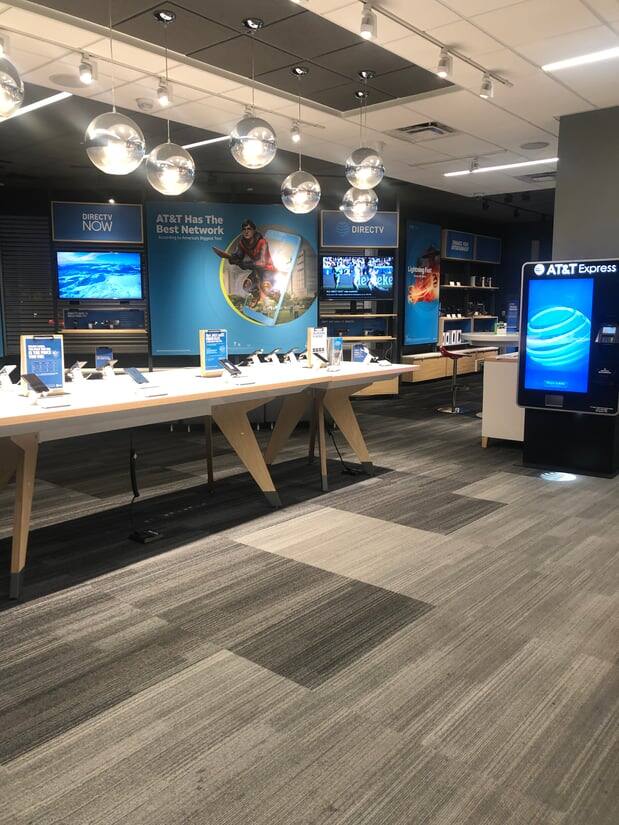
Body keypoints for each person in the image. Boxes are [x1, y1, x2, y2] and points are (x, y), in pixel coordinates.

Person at [213, 219, 277, 309]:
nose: (246, 231)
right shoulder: (242, 243)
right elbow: (238, 256)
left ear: (253, 230)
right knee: (246, 286)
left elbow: (262, 262)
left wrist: (244, 264)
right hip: (256, 270)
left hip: (268, 269)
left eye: (249, 229)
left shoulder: (262, 242)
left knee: (266, 289)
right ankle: (256, 295)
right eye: (244, 229)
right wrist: (232, 258)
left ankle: (276, 296)